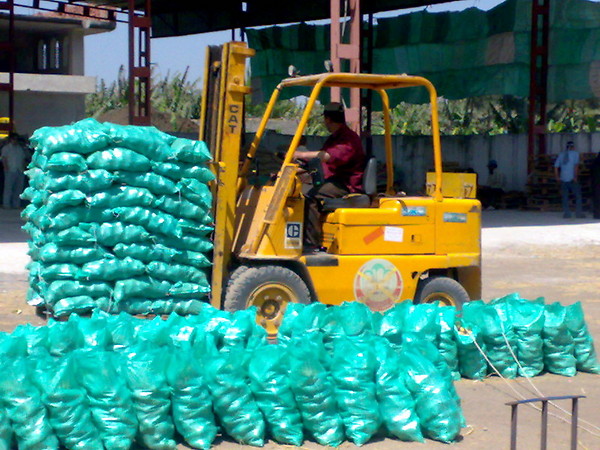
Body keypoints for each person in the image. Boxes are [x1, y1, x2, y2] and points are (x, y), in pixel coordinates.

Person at [294, 102, 366, 251]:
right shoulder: (335, 138)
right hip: (334, 180)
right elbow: (318, 161)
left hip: (346, 185)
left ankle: (310, 244)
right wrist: (296, 169)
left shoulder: (348, 139)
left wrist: (299, 154)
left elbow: (328, 156)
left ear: (327, 119)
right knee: (298, 190)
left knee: (309, 196)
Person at [554, 141, 585, 219]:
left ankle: (567, 213)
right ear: (573, 147)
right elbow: (576, 166)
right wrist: (575, 177)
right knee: (578, 196)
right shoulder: (575, 154)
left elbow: (556, 166)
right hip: (572, 179)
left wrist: (557, 176)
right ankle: (578, 213)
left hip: (563, 179)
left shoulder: (561, 154)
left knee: (565, 197)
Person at [1, 132, 27, 209]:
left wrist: (23, 169)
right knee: (8, 188)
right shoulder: (6, 148)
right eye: (14, 139)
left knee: (18, 188)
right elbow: (4, 158)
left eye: (16, 139)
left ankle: (16, 204)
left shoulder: (19, 148)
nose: (15, 141)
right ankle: (6, 204)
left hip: (19, 170)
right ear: (11, 139)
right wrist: (6, 168)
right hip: (10, 170)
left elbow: (23, 159)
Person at [591, 151, 600, 219]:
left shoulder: (594, 162)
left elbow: (591, 172)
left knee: (596, 199)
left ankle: (596, 214)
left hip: (595, 183)